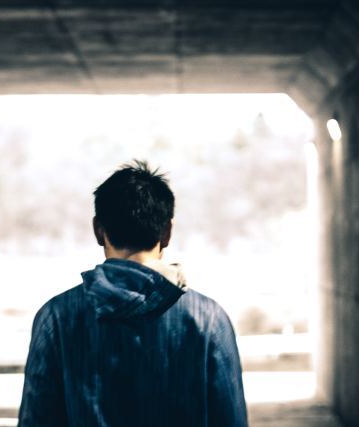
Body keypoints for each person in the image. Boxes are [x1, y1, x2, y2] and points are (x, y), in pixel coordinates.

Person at [18, 160, 248, 426]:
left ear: (98, 230)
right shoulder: (208, 319)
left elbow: (36, 420)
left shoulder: (57, 317)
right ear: (167, 231)